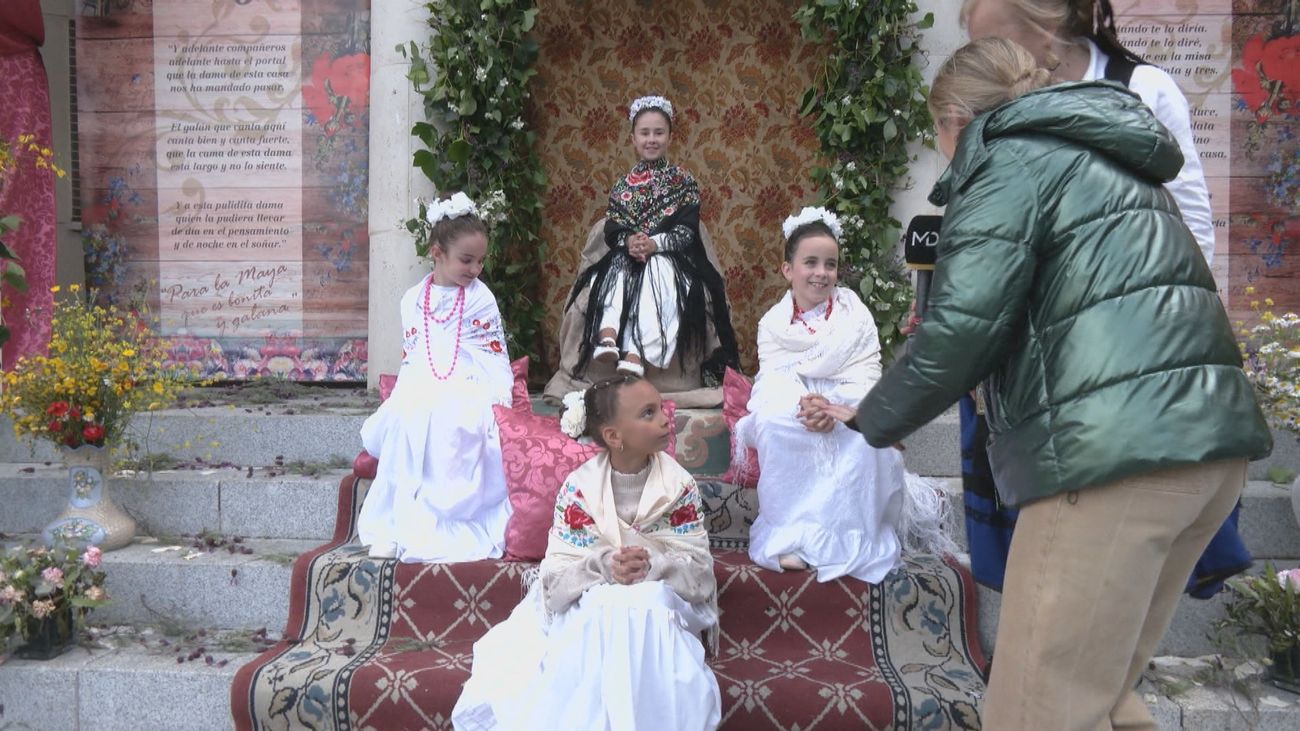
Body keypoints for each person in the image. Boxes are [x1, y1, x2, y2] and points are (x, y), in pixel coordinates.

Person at [856, 38, 1271, 730]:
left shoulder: (1005, 158)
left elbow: (965, 330)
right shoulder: (1100, 152)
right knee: (1104, 695)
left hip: (1114, 456)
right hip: (1204, 449)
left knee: (1034, 710)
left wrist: (863, 423)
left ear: (954, 117)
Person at [956, 0, 1249, 598]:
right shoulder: (1000, 99)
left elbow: (1190, 223)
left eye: (995, 41)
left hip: (1117, 363)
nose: (982, 60)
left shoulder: (1140, 90)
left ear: (1045, 28)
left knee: (1107, 563)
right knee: (1040, 563)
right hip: (1023, 365)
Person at [453, 375, 720, 731]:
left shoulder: (678, 486)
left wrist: (653, 564)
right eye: (648, 413)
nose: (664, 419)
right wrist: (605, 565)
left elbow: (699, 573)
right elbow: (559, 579)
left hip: (665, 594)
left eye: (660, 408)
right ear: (614, 436)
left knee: (646, 606)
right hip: (593, 592)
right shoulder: (580, 490)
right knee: (603, 610)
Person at [734, 208, 953, 583]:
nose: (821, 273)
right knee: (774, 425)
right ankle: (790, 534)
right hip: (797, 404)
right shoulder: (772, 323)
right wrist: (806, 407)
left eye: (830, 264)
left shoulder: (856, 314)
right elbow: (773, 380)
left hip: (846, 401)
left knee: (864, 437)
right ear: (788, 269)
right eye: (811, 262)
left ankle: (851, 536)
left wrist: (838, 410)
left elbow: (867, 375)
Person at [356, 192, 514, 562]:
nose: (475, 269)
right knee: (405, 418)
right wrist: (409, 393)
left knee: (453, 420)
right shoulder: (412, 299)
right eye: (466, 260)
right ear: (437, 252)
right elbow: (413, 356)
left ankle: (451, 517)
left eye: (479, 261)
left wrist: (499, 402)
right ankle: (397, 522)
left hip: (468, 381)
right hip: (422, 379)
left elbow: (492, 356)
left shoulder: (480, 298)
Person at [565, 94, 738, 381]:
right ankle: (607, 336)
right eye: (644, 133)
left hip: (671, 257)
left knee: (657, 274)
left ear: (670, 137)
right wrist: (629, 242)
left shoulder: (683, 181)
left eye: (659, 132)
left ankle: (635, 352)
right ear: (633, 138)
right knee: (611, 273)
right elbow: (614, 228)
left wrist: (655, 244)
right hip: (629, 254)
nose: (651, 139)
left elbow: (686, 231)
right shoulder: (623, 185)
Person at [0, 0, 56, 370]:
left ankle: (20, 370)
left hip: (16, 70)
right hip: (16, 70)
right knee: (20, 221)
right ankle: (20, 369)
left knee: (22, 221)